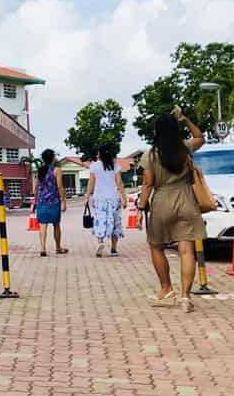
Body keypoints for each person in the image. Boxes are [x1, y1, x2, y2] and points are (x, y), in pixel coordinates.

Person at [138, 107, 205, 313]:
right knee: (186, 250)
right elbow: (200, 137)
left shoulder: (150, 154)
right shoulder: (184, 148)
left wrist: (141, 205)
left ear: (157, 130)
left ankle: (166, 290)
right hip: (186, 200)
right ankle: (186, 296)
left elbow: (148, 184)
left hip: (162, 202)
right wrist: (185, 119)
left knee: (156, 247)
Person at [84, 143, 127, 257]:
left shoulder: (94, 166)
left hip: (99, 199)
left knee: (100, 221)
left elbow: (91, 182)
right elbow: (119, 183)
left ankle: (101, 242)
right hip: (113, 198)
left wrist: (87, 196)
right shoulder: (115, 166)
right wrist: (124, 198)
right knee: (115, 222)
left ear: (100, 153)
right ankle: (113, 249)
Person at [33, 148, 67, 257]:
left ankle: (43, 248)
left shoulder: (40, 170)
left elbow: (36, 187)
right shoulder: (57, 170)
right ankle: (58, 248)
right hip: (54, 201)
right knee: (56, 224)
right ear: (52, 158)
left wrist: (36, 200)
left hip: (42, 201)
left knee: (43, 225)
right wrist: (63, 201)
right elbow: (60, 186)